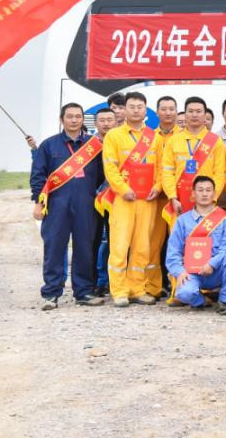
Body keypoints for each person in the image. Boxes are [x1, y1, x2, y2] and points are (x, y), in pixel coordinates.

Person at [30, 103, 105, 309]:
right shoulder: (49, 145)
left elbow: (102, 175)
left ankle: (84, 292)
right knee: (54, 248)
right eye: (69, 116)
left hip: (86, 205)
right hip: (56, 205)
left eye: (78, 116)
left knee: (85, 248)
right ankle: (51, 293)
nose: (74, 120)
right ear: (61, 119)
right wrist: (38, 202)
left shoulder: (94, 146)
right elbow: (38, 176)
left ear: (83, 119)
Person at [100, 91, 159, 307]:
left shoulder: (154, 137)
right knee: (119, 245)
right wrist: (123, 189)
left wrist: (158, 187)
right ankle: (119, 291)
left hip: (147, 200)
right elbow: (110, 166)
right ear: (124, 110)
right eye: (131, 106)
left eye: (139, 107)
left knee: (142, 246)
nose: (135, 110)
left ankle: (137, 288)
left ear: (145, 110)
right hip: (123, 199)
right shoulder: (114, 136)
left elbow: (162, 167)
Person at [164, 176, 226, 314]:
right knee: (184, 294)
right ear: (193, 194)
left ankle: (224, 301)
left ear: (214, 194)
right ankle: (201, 301)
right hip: (192, 273)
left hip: (216, 270)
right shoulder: (182, 221)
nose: (204, 194)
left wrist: (212, 264)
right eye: (200, 190)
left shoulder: (224, 218)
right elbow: (173, 252)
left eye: (208, 190)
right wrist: (180, 271)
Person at [160, 97, 226, 227]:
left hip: (207, 203)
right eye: (190, 111)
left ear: (205, 115)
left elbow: (219, 174)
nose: (194, 115)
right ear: (185, 114)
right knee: (179, 238)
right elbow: (167, 173)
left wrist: (212, 199)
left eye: (198, 111)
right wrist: (173, 198)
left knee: (203, 239)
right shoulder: (173, 140)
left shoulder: (215, 141)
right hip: (179, 203)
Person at [147, 95, 180, 298]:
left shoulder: (185, 137)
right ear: (157, 112)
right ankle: (152, 286)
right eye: (164, 109)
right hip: (155, 199)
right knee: (152, 244)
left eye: (171, 109)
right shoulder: (148, 137)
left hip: (178, 200)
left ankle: (178, 287)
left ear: (177, 111)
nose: (168, 113)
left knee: (177, 243)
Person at [91, 107, 117, 296]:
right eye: (102, 120)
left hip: (115, 199)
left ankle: (110, 281)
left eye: (110, 120)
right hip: (92, 201)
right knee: (94, 241)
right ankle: (95, 282)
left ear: (116, 121)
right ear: (96, 123)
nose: (106, 124)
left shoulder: (119, 141)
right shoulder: (88, 145)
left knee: (113, 241)